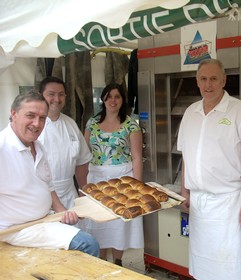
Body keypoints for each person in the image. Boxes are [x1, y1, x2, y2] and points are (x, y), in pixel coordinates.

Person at [177, 59, 241, 280]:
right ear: (197, 81)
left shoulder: (239, 111)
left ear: (224, 80)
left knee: (230, 270)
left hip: (229, 204)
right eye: (203, 79)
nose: (208, 84)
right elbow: (186, 155)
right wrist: (184, 191)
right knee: (202, 265)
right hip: (198, 204)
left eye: (214, 78)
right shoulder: (190, 113)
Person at [0, 91, 99, 257]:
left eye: (42, 118)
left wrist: (62, 211)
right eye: (30, 115)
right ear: (14, 114)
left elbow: (48, 185)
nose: (36, 124)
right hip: (17, 228)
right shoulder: (3, 148)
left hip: (45, 219)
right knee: (88, 244)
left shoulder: (38, 146)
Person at [80, 83, 143, 266]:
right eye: (109, 96)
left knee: (119, 223)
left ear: (122, 100)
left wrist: (138, 187)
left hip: (122, 178)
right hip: (96, 178)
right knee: (99, 222)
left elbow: (137, 157)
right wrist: (83, 185)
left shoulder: (131, 125)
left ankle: (117, 261)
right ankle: (100, 260)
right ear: (103, 99)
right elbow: (84, 155)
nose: (112, 100)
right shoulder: (92, 123)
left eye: (117, 96)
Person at [38, 76, 92, 209]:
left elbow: (82, 162)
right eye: (51, 94)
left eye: (61, 95)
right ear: (41, 95)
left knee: (73, 229)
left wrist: (83, 191)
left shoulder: (70, 124)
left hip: (69, 194)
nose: (57, 99)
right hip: (40, 196)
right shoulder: (33, 126)